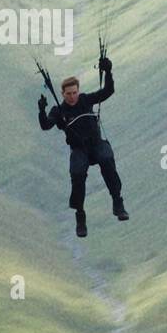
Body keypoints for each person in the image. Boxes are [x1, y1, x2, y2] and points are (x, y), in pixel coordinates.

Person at [38, 56, 128, 237]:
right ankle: (80, 215)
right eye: (68, 94)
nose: (72, 96)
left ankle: (117, 202)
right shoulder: (59, 111)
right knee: (77, 174)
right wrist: (41, 110)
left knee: (106, 159)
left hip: (96, 144)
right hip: (79, 150)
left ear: (78, 91)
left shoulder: (86, 100)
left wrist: (108, 71)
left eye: (74, 92)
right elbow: (46, 125)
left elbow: (108, 91)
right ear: (62, 94)